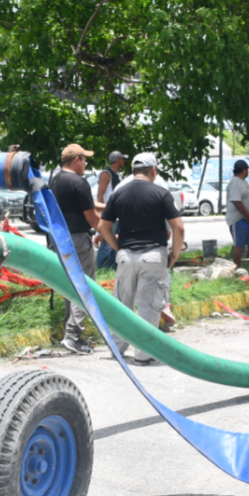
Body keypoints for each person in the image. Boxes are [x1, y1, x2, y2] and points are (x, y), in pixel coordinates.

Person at [98, 153, 184, 366]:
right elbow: (178, 226)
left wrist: (119, 247)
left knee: (122, 303)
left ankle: (117, 349)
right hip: (153, 256)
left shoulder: (118, 193)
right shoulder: (161, 193)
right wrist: (175, 254)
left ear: (133, 171)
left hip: (126, 256)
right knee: (149, 305)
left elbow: (103, 227)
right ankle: (143, 354)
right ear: (153, 170)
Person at [51, 143, 102, 354]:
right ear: (77, 160)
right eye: (85, 159)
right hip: (79, 240)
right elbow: (91, 217)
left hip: (59, 238)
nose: (86, 163)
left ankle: (67, 332)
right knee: (84, 286)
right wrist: (108, 234)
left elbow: (84, 205)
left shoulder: (55, 180)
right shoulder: (79, 182)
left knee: (69, 285)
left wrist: (112, 206)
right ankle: (73, 336)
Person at [94, 151, 127, 270]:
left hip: (117, 215)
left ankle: (111, 268)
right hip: (110, 215)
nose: (124, 161)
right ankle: (100, 268)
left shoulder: (117, 175)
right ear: (118, 159)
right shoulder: (106, 174)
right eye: (123, 159)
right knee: (107, 244)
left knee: (115, 244)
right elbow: (100, 194)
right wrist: (104, 215)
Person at [225, 160, 249, 268]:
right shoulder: (235, 182)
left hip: (248, 219)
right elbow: (236, 201)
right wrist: (247, 214)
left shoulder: (242, 182)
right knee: (239, 245)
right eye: (247, 170)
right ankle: (237, 268)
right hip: (239, 218)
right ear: (244, 170)